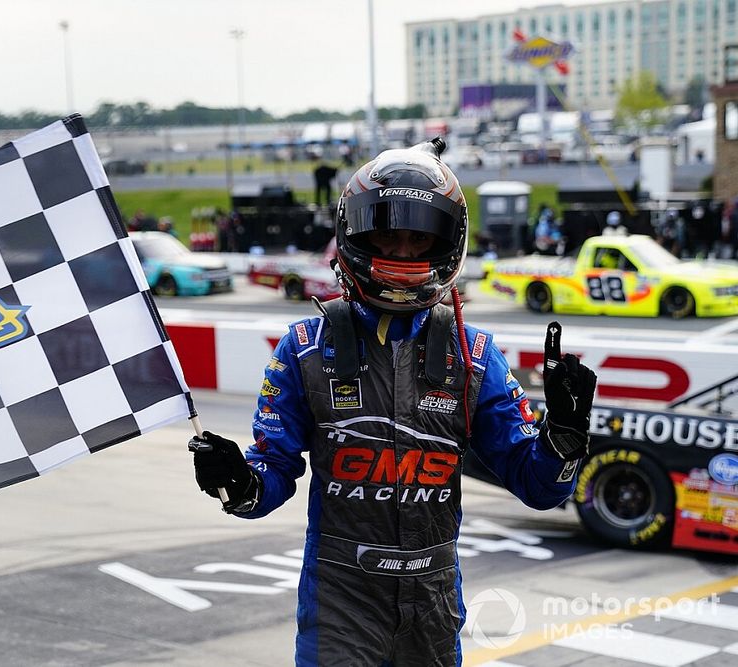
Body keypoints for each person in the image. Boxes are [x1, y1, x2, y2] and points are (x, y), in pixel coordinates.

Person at [190, 139, 597, 667]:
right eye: (387, 237)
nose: (402, 255)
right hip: (341, 600)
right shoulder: (306, 350)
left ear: (445, 244)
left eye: (418, 239)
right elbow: (271, 476)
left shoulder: (473, 356)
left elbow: (538, 488)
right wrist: (240, 482)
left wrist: (564, 435)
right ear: (354, 235)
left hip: (431, 601)